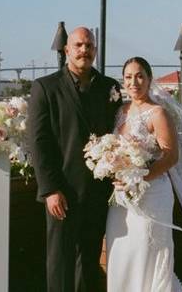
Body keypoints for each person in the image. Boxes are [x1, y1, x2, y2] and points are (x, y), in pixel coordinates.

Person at [28, 27, 122, 292]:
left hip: (98, 191)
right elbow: (38, 142)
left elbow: (117, 134)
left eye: (90, 46)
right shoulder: (45, 87)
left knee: (89, 261)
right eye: (79, 45)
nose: (85, 50)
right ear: (67, 50)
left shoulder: (109, 87)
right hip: (62, 193)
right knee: (60, 261)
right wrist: (50, 190)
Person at [106, 56, 182, 291]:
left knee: (145, 252)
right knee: (121, 251)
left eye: (140, 76)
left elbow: (171, 156)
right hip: (121, 199)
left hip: (152, 195)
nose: (134, 82)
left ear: (150, 79)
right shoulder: (120, 111)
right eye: (128, 77)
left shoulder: (157, 113)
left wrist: (140, 177)